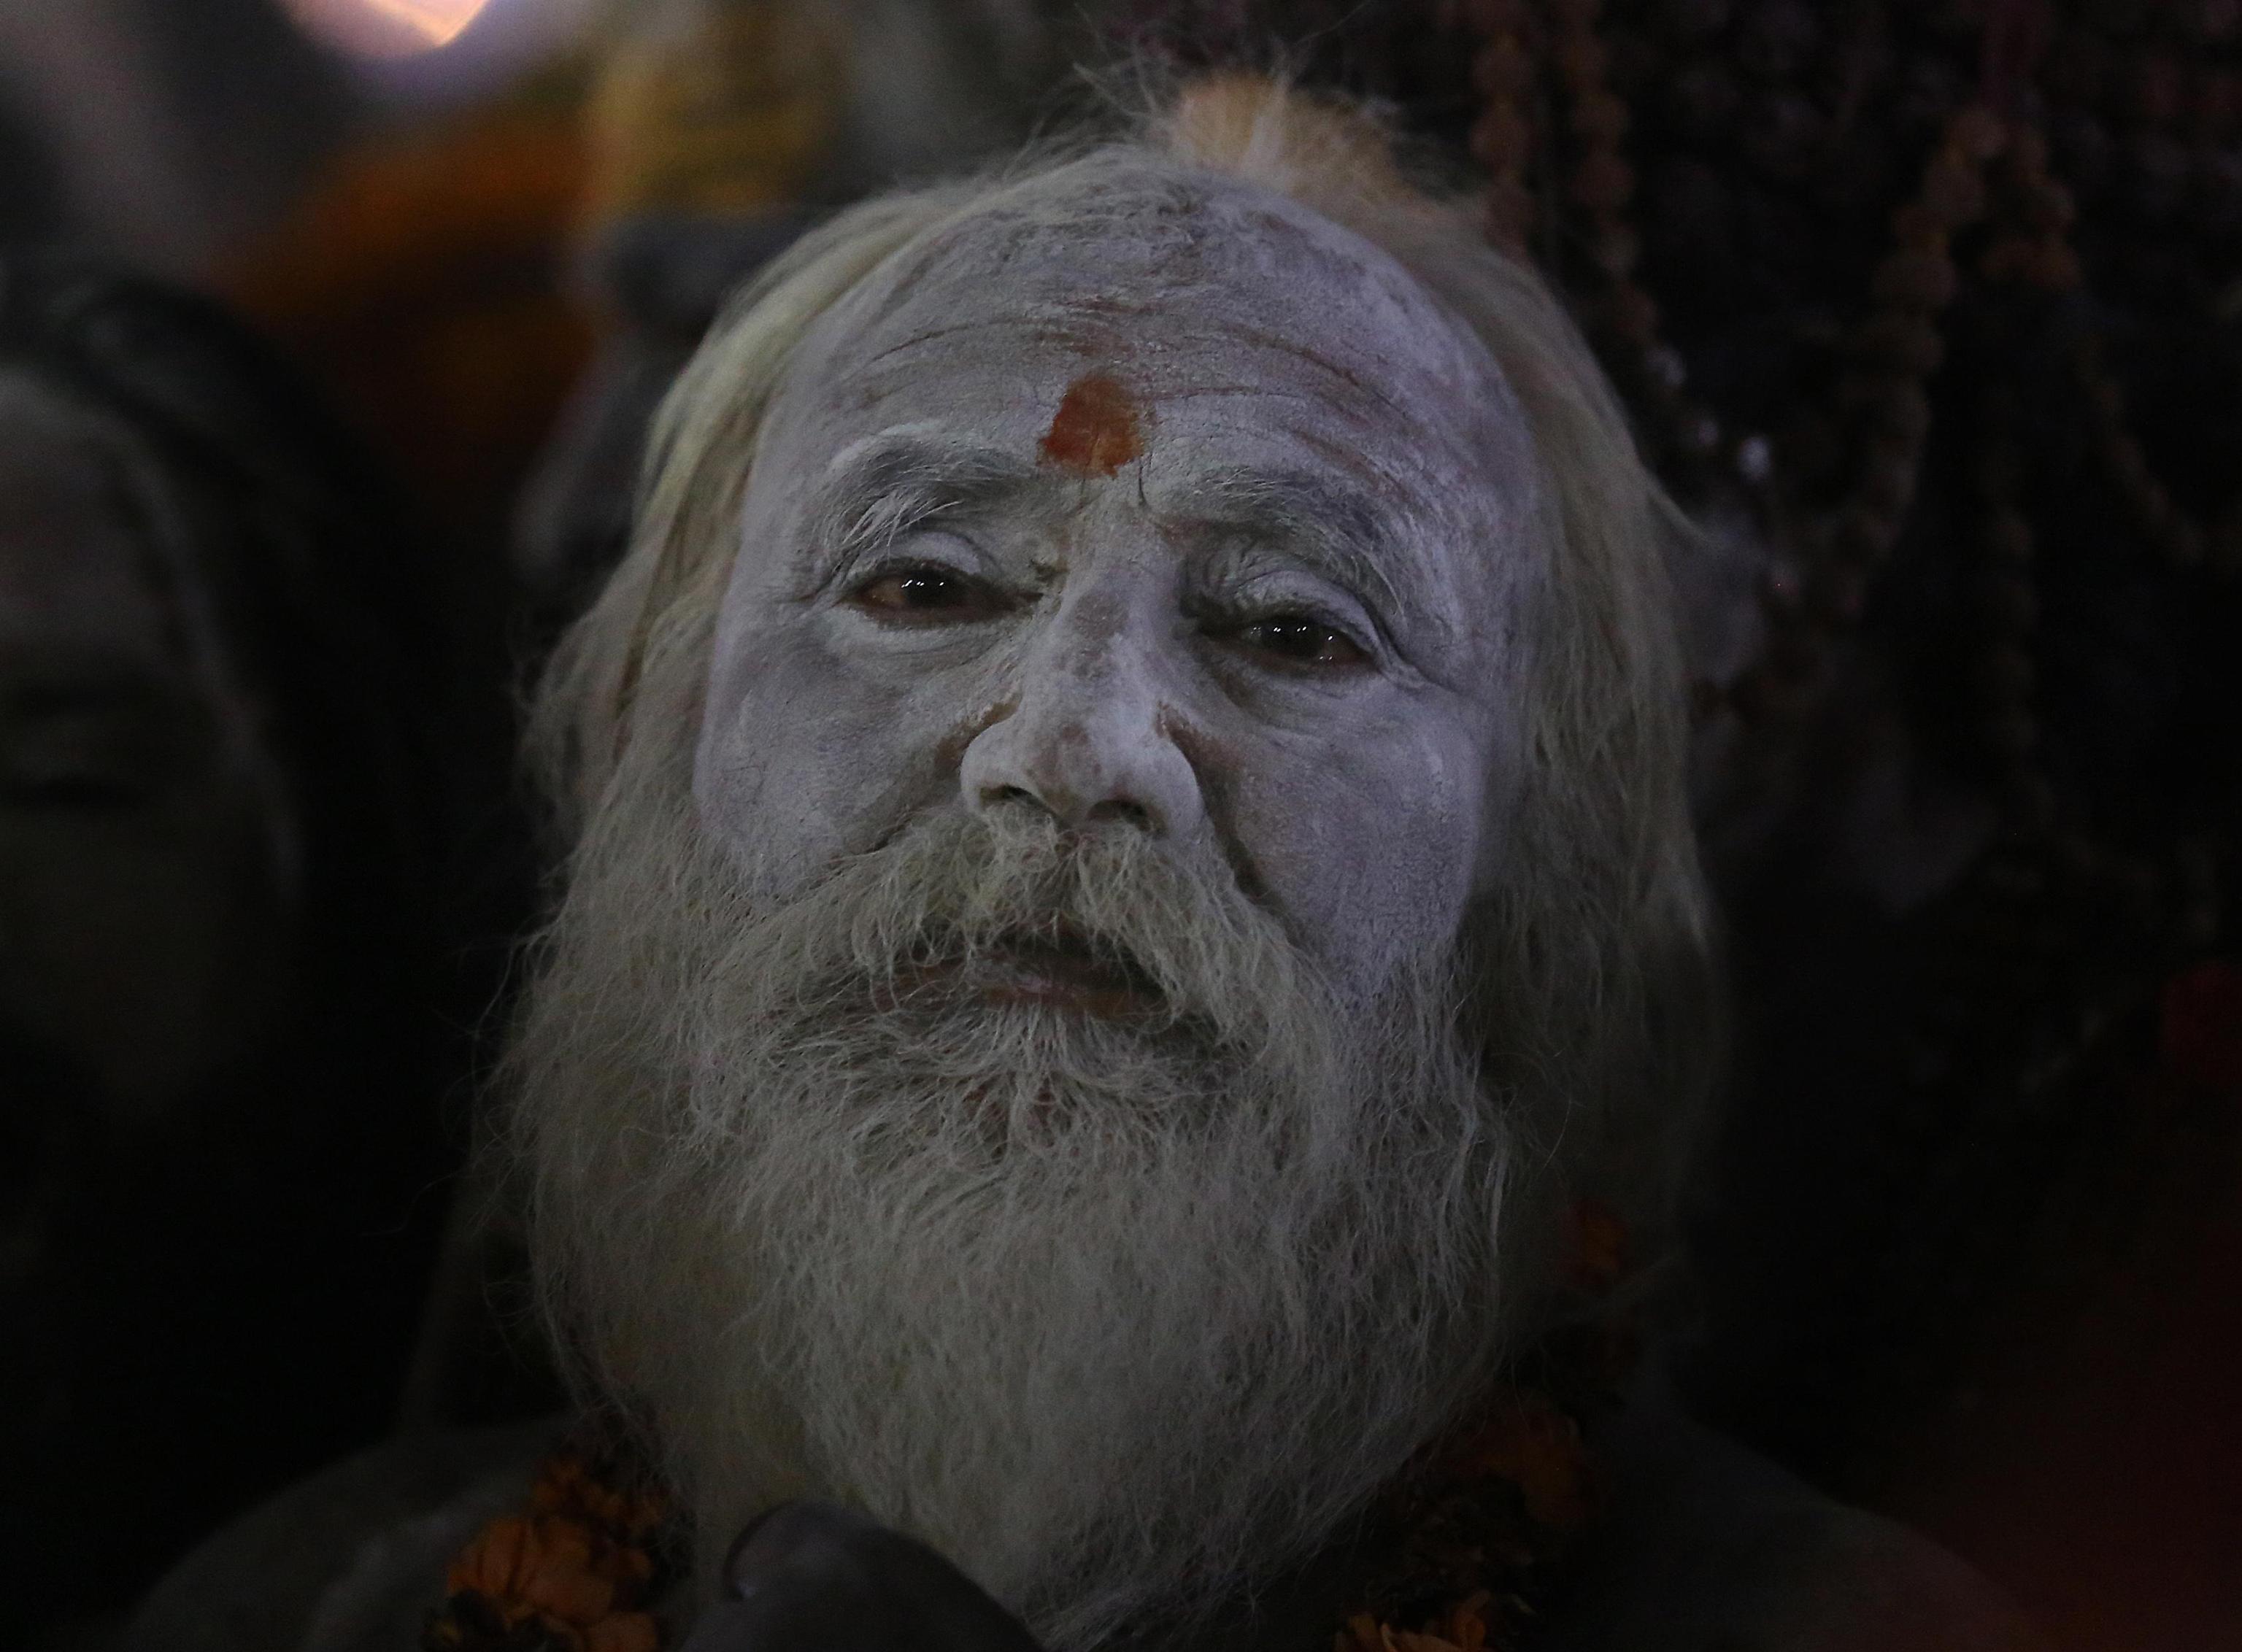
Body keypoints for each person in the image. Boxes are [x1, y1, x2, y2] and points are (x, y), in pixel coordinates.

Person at [126, 79, 2041, 1652]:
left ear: (1537, 874)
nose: (1065, 750)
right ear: (641, 741)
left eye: (1292, 629)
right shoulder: (313, 1611)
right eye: (920, 585)